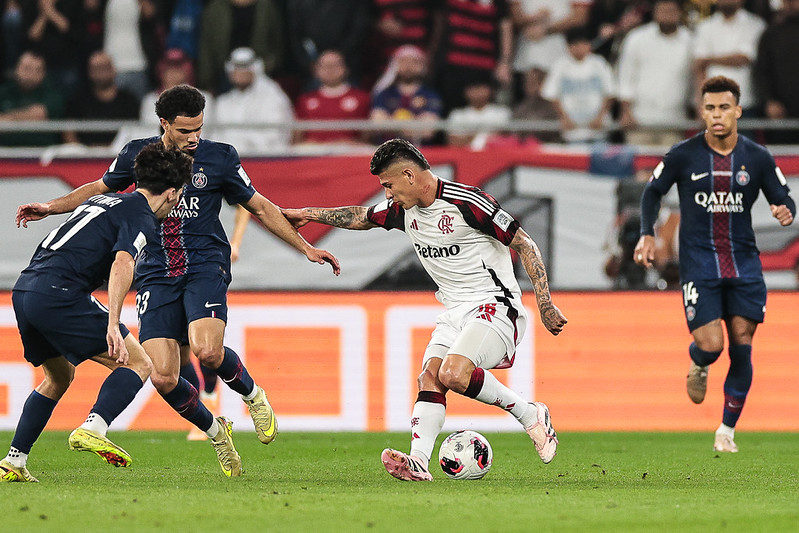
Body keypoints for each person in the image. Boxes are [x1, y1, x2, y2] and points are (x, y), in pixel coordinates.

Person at [16, 84, 341, 477]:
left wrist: (304, 247)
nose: (194, 138)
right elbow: (100, 189)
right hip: (155, 272)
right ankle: (218, 433)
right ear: (164, 124)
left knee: (206, 351)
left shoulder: (221, 157)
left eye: (199, 129)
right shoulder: (139, 154)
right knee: (163, 374)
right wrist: (50, 207)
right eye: (185, 131)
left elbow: (259, 205)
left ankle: (253, 396)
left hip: (205, 264)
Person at [282, 138, 567, 481]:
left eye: (388, 185)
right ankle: (418, 462)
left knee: (453, 374)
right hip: (454, 312)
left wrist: (545, 303)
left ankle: (530, 414)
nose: (387, 194)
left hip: (496, 305)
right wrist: (308, 214)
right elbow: (361, 216)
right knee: (429, 377)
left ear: (408, 175)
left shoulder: (467, 202)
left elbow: (524, 242)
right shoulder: (404, 211)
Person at [1, 142, 191, 483]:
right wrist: (113, 322)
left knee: (59, 377)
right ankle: (94, 427)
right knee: (140, 362)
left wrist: (48, 207)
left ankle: (14, 461)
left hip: (25, 290)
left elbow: (87, 209)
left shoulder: (106, 200)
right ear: (173, 193)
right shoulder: (142, 216)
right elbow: (123, 262)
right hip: (60, 293)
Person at [633, 76, 795, 453]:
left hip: (744, 265)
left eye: (724, 107)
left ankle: (726, 430)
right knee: (712, 345)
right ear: (702, 112)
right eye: (709, 108)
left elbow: (783, 194)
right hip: (699, 264)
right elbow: (652, 191)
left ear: (738, 110)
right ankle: (699, 362)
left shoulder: (757, 157)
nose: (717, 115)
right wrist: (647, 233)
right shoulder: (683, 155)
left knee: (742, 344)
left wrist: (785, 209)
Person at [616, 0, 692, 147]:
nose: (666, 16)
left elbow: (694, 79)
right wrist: (625, 111)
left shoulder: (690, 41)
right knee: (642, 168)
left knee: (670, 168)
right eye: (662, 11)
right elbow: (625, 76)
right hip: (639, 119)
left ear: (679, 13)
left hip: (674, 121)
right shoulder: (636, 38)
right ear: (654, 13)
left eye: (671, 11)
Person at [213, 47, 294, 155]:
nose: (239, 72)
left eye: (244, 67)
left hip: (262, 159)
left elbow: (275, 136)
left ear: (255, 68)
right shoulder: (223, 102)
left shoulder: (273, 97)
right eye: (236, 67)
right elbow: (215, 136)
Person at [541, 27, 615, 144]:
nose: (579, 48)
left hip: (598, 129)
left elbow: (610, 92)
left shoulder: (599, 63)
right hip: (573, 131)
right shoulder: (560, 66)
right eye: (575, 44)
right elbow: (551, 94)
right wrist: (563, 117)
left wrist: (600, 116)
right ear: (569, 47)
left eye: (583, 43)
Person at [63, 51, 140, 146]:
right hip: (85, 155)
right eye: (96, 69)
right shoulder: (77, 101)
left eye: (105, 67)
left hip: (120, 154)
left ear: (113, 69)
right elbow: (69, 133)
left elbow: (136, 132)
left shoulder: (129, 100)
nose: (101, 73)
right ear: (89, 72)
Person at [294, 49, 371, 145]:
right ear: (316, 70)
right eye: (325, 66)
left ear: (346, 68)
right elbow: (297, 134)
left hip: (349, 152)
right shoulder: (305, 100)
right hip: (313, 152)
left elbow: (367, 134)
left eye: (335, 65)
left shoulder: (362, 98)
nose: (330, 69)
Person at [0, 49, 64, 146]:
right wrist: (28, 117)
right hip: (5, 154)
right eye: (27, 68)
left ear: (44, 74)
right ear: (16, 69)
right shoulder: (4, 91)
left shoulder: (52, 94)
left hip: (43, 155)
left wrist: (7, 119)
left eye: (37, 70)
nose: (31, 74)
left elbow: (39, 114)